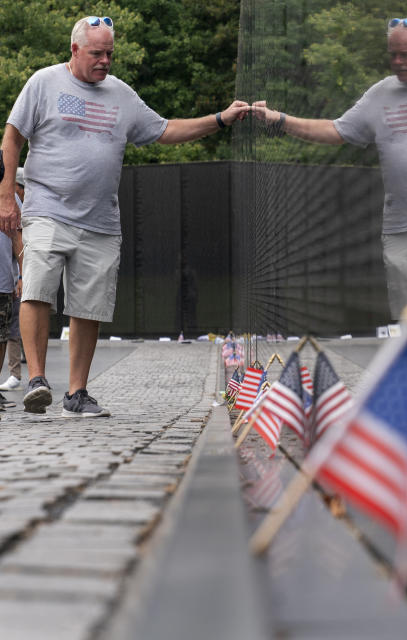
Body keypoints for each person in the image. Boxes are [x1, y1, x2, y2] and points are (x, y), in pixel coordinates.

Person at [0, 16, 249, 416]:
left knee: (89, 306)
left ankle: (77, 394)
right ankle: (37, 380)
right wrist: (6, 195)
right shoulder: (43, 83)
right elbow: (11, 137)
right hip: (47, 206)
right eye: (97, 53)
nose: (105, 61)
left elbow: (165, 130)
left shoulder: (121, 95)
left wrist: (219, 119)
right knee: (37, 288)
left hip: (100, 220)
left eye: (110, 53)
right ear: (75, 50)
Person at [251, 18, 407, 386]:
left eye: (406, 55)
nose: (397, 61)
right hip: (402, 219)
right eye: (392, 54)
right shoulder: (381, 94)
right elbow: (336, 130)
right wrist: (280, 120)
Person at [0, 167, 26, 393]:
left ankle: (10, 377)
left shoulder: (10, 197)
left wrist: (22, 274)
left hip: (5, 278)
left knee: (5, 333)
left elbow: (19, 237)